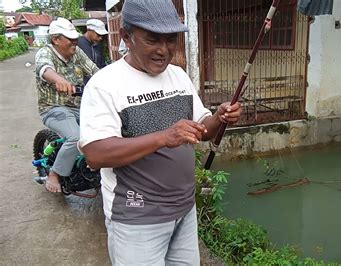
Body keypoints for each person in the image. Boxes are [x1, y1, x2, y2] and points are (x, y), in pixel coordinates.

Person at [78, 0, 242, 264]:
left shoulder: (178, 76)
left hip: (184, 210)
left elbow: (201, 131)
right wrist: (163, 137)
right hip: (137, 219)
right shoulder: (104, 85)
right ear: (126, 37)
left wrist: (219, 117)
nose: (163, 50)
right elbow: (96, 154)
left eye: (171, 40)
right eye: (152, 40)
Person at [35, 17, 99, 193]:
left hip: (79, 106)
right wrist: (59, 80)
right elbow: (44, 69)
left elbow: (94, 70)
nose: (75, 41)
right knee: (75, 137)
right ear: (56, 39)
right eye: (69, 38)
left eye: (75, 38)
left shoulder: (76, 52)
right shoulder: (45, 53)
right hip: (54, 108)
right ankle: (54, 174)